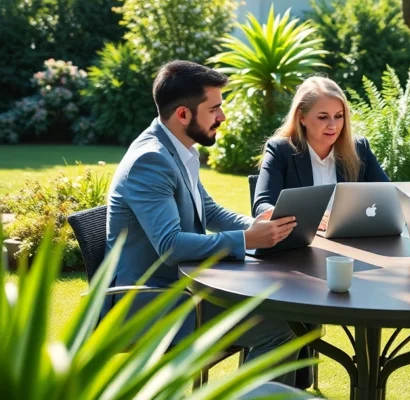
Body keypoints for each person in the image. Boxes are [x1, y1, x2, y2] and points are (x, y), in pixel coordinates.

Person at [105, 61, 300, 384]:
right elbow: (171, 245)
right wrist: (249, 240)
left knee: (281, 314)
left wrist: (259, 224)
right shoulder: (150, 161)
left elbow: (208, 211)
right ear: (183, 114)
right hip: (150, 301)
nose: (222, 117)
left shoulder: (177, 149)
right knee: (278, 331)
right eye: (215, 109)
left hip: (183, 288)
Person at [252, 76, 389, 219]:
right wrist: (309, 217)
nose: (333, 125)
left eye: (338, 116)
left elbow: (390, 197)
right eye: (323, 117)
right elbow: (263, 207)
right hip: (299, 241)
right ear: (301, 117)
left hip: (350, 240)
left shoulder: (359, 149)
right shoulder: (280, 150)